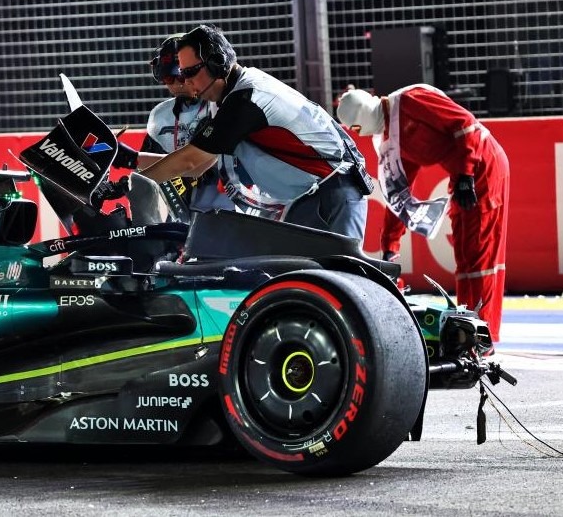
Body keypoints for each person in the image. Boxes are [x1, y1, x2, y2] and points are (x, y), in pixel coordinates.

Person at [130, 24, 374, 239]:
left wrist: (133, 183)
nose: (186, 81)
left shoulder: (245, 99)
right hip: (314, 196)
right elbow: (198, 165)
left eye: (190, 72)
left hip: (332, 195)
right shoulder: (230, 96)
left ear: (217, 63)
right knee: (293, 285)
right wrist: (133, 166)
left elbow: (190, 160)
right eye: (182, 74)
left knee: (335, 283)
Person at [336, 86, 509, 342]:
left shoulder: (411, 100)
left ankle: (484, 336)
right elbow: (398, 195)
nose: (357, 135)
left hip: (482, 166)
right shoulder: (391, 139)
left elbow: (465, 124)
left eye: (355, 128)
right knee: (465, 255)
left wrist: (466, 174)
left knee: (479, 253)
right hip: (465, 172)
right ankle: (470, 330)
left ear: (360, 115)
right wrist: (389, 247)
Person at [143, 33, 234, 214]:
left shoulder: (224, 106)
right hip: (181, 215)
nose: (177, 86)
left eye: (183, 77)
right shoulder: (159, 117)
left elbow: (198, 164)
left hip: (228, 211)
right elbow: (148, 169)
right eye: (169, 79)